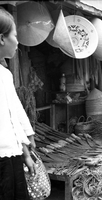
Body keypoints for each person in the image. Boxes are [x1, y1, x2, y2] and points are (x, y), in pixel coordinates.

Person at [0, 7, 37, 200]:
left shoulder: (5, 74)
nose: (18, 41)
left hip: (12, 157)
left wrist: (25, 152)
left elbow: (14, 112)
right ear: (1, 38)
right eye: (15, 35)